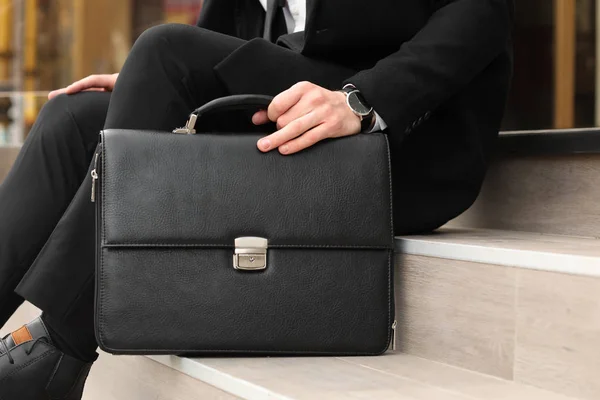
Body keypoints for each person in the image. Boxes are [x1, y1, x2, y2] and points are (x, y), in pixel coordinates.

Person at [0, 0, 514, 398]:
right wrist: (148, 82)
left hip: (397, 133)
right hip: (292, 111)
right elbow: (219, 38)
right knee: (74, 118)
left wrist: (367, 100)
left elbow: (483, 10)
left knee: (162, 51)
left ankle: (60, 351)